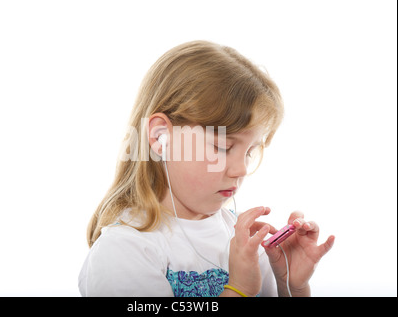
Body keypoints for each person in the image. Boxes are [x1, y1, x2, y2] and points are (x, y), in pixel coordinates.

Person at [78, 40, 335, 297]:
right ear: (160, 138)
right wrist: (239, 289)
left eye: (249, 151)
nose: (242, 169)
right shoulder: (125, 250)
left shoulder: (242, 239)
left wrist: (291, 285)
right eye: (222, 147)